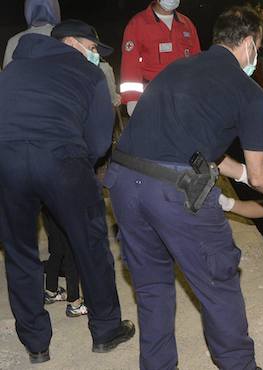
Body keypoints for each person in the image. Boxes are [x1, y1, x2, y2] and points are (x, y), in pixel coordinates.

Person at [104, 7, 263, 369]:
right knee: (218, 285)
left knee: (152, 287)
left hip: (124, 182)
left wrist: (237, 175)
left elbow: (194, 145)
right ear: (251, 44)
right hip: (173, 194)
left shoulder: (176, 69)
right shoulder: (248, 92)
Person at [0, 19, 134, 364]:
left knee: (20, 253)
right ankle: (105, 330)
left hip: (7, 161)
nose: (95, 57)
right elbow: (101, 140)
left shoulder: (13, 70)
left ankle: (36, 344)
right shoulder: (89, 75)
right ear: (70, 42)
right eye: (92, 48)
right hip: (61, 158)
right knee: (90, 244)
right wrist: (75, 166)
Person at [119, 0, 201, 116]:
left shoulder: (186, 24)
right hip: (153, 98)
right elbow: (130, 64)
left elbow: (197, 63)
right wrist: (132, 99)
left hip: (184, 97)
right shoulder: (138, 24)